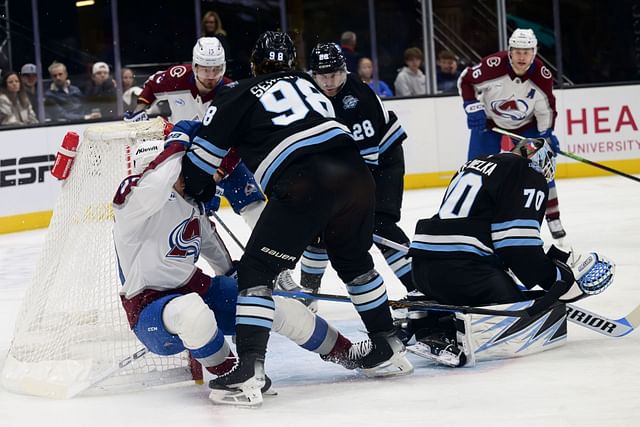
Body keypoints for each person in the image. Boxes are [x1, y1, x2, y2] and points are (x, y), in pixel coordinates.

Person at [169, 31, 413, 406]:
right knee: (354, 261)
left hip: (305, 183)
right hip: (357, 177)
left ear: (253, 64)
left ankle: (250, 367)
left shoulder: (235, 94)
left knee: (255, 272)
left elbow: (202, 163)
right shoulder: (307, 83)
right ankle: (387, 343)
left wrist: (199, 192)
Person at [113, 138, 373, 405]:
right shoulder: (132, 199)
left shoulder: (189, 201)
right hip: (148, 307)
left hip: (194, 287)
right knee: (192, 312)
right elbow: (154, 184)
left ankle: (347, 352)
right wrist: (180, 142)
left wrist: (231, 274)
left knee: (270, 306)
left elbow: (210, 244)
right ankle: (231, 378)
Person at [405, 137, 614, 366]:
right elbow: (517, 247)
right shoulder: (528, 173)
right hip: (466, 273)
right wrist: (557, 281)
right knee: (514, 304)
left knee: (497, 282)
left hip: (422, 269)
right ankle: (452, 330)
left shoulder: (476, 163)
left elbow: (480, 228)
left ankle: (431, 321)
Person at [299, 43, 412, 301]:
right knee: (318, 228)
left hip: (382, 162)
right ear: (312, 74)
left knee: (379, 225)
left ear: (344, 70)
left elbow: (367, 164)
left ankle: (419, 284)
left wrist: (342, 202)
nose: (328, 82)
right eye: (322, 76)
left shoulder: (357, 99)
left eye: (334, 75)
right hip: (339, 167)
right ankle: (308, 294)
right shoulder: (307, 94)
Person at [458, 28, 567, 239]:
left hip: (527, 126)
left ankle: (553, 217)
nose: (521, 57)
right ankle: (472, 217)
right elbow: (465, 80)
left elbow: (547, 108)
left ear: (534, 52)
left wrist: (546, 135)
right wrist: (472, 106)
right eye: (517, 51)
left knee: (541, 168)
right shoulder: (492, 66)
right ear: (509, 51)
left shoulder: (542, 75)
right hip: (490, 123)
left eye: (526, 52)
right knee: (477, 167)